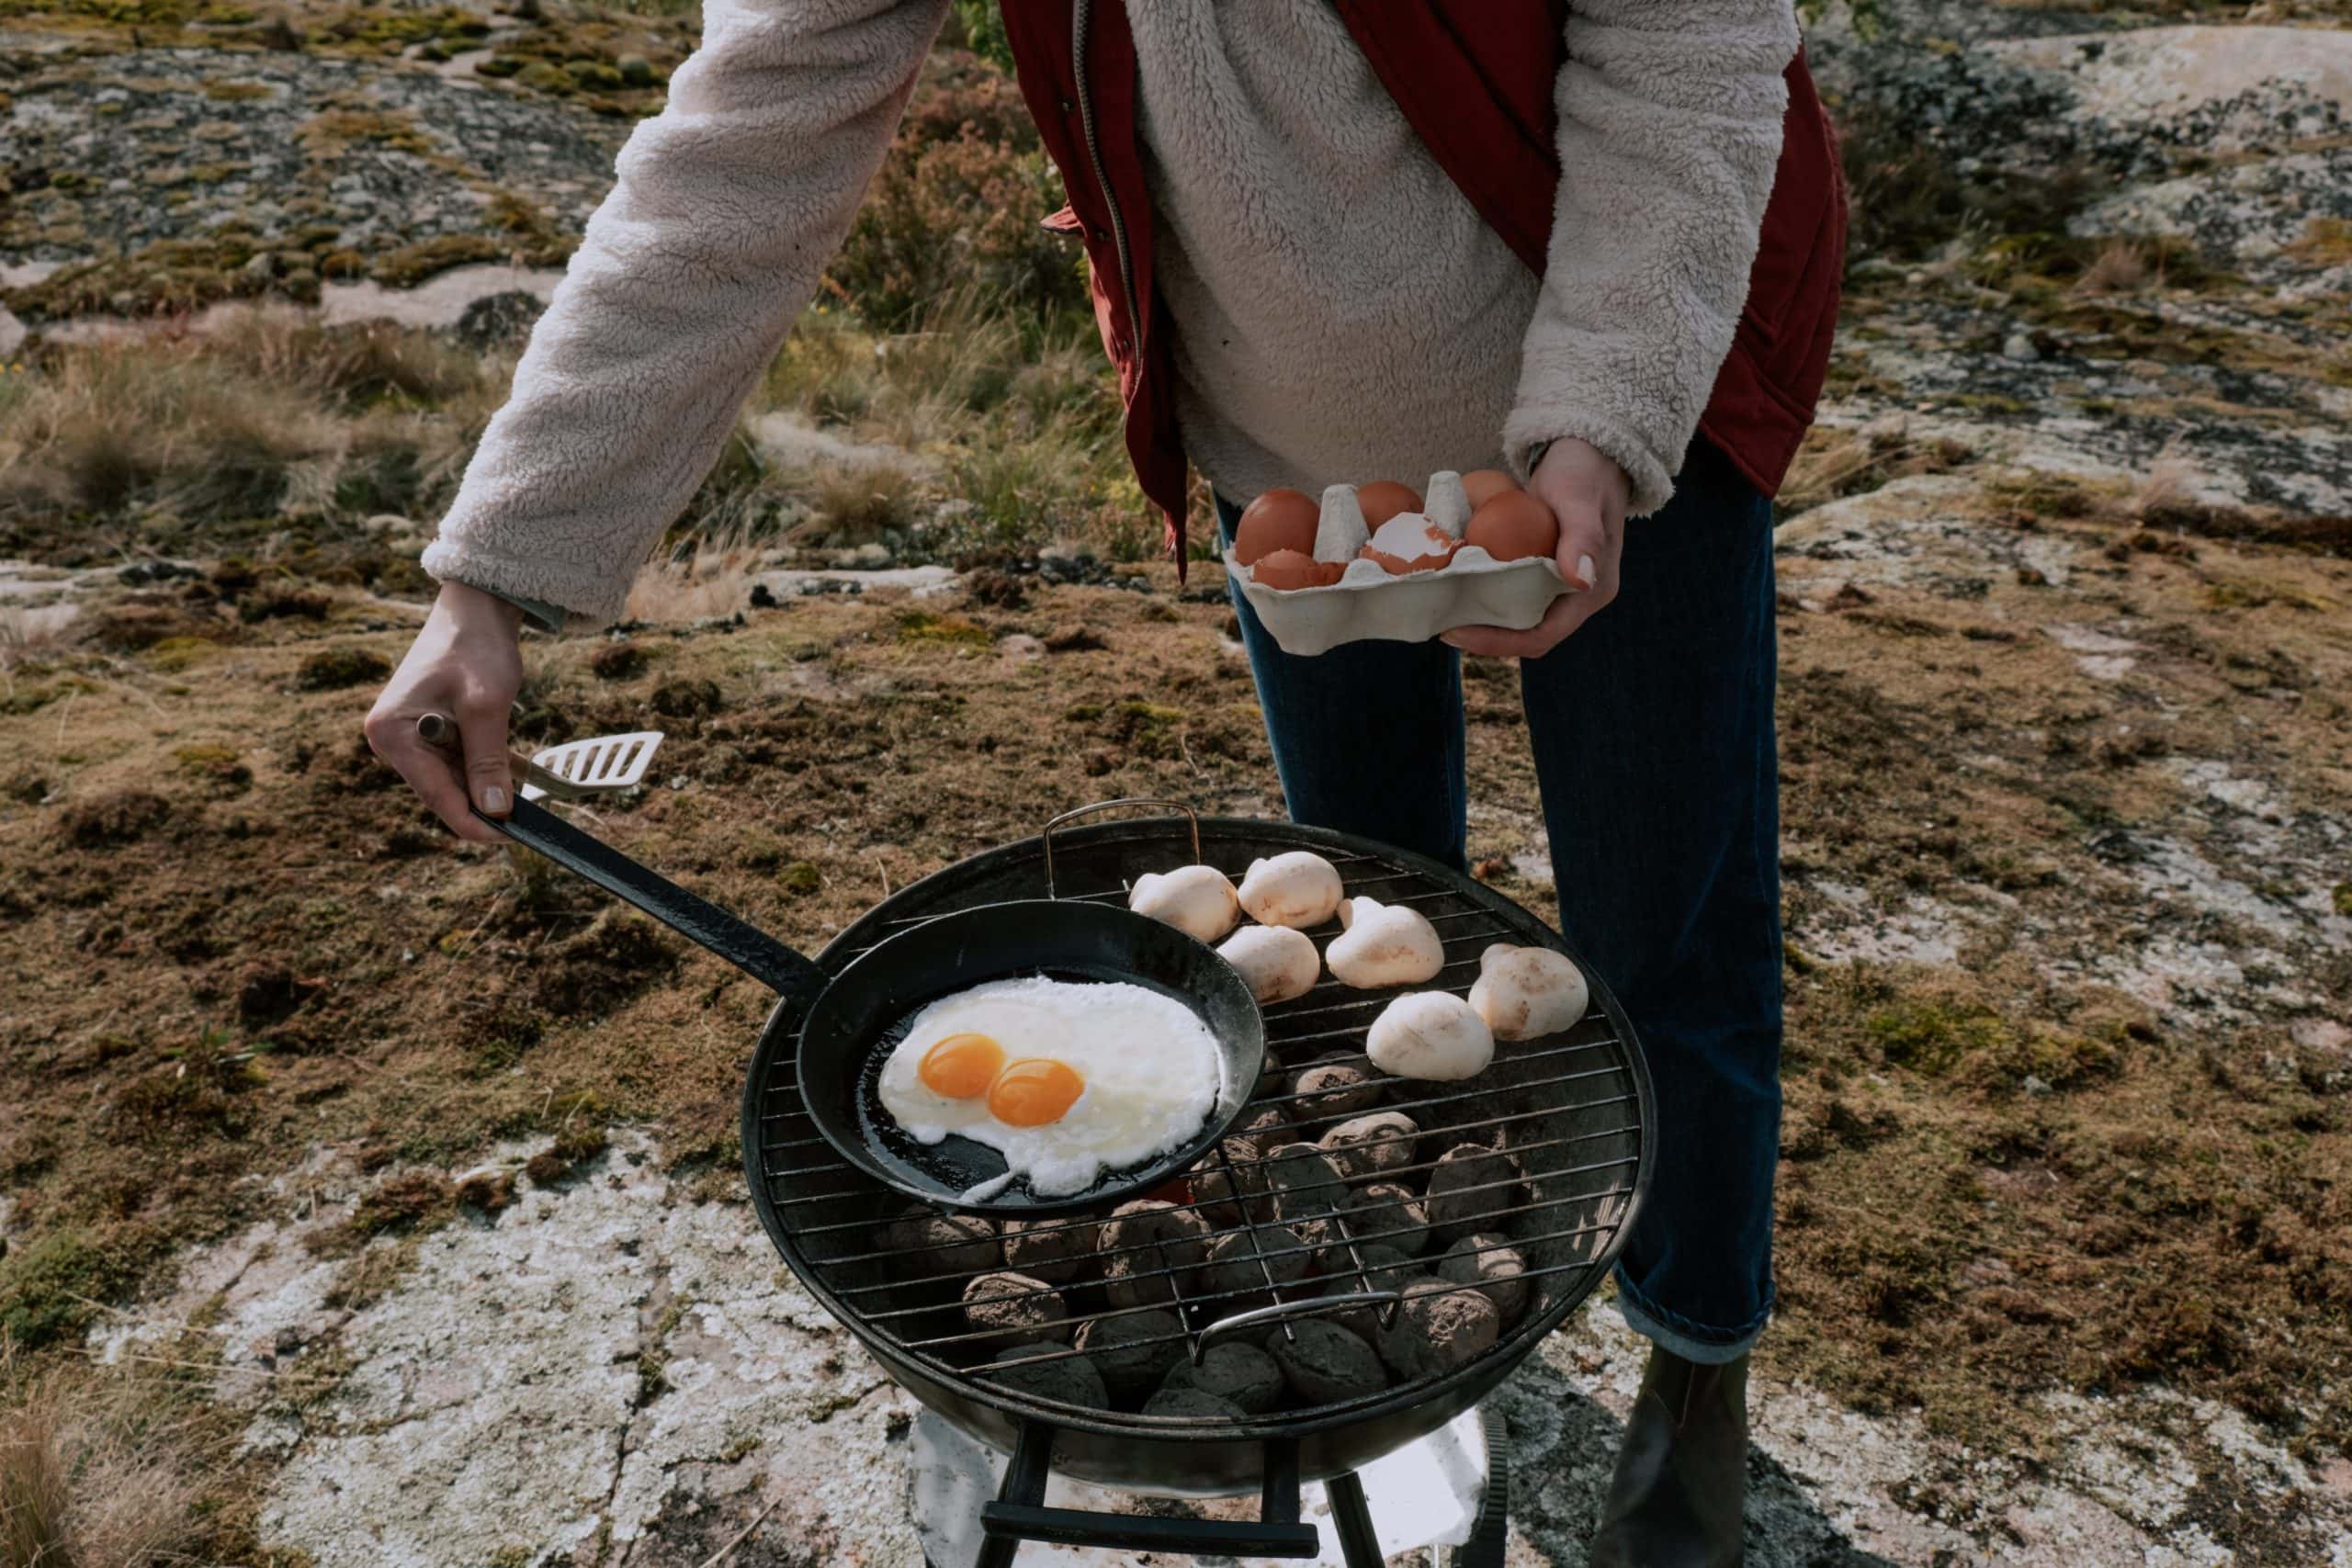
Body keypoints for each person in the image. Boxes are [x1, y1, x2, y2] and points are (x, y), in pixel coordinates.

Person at [366, 3, 1844, 1561]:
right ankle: (1408, 1294)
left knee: (1666, 934)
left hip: (1627, 398)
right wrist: (498, 570)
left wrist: (1604, 427)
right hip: (1287, 461)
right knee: (1340, 914)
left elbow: (1685, 46)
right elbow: (748, 131)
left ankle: (1695, 1361)